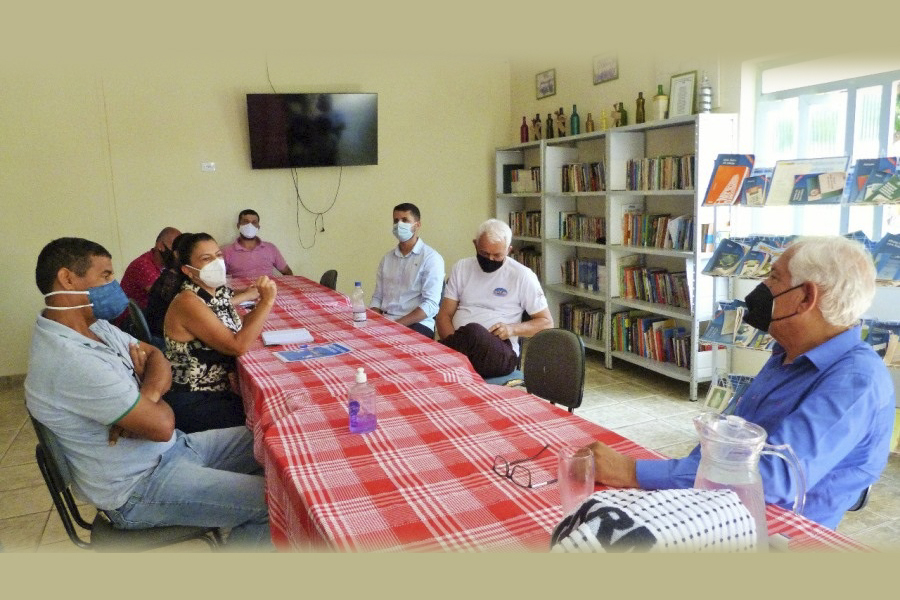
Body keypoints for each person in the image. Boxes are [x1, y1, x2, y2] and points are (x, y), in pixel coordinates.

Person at [584, 236, 895, 530]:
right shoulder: (788, 352)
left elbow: (772, 478)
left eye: (774, 277)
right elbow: (736, 445)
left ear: (805, 297)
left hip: (782, 531)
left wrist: (631, 471)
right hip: (723, 502)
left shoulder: (856, 381)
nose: (761, 286)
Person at [24, 237, 272, 549]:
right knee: (273, 502)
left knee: (274, 439)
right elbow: (160, 425)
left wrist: (148, 394)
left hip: (174, 448)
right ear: (67, 278)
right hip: (139, 487)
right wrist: (151, 403)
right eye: (105, 276)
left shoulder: (95, 327)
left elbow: (158, 356)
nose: (114, 285)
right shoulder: (68, 359)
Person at [163, 233, 277, 434]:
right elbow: (237, 346)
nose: (217, 263)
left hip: (220, 390)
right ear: (188, 271)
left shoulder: (216, 292)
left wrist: (259, 306)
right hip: (195, 398)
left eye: (218, 255)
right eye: (206, 259)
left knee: (271, 408)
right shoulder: (188, 302)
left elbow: (238, 325)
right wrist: (267, 302)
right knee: (268, 423)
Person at [436, 218, 553, 379]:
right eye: (484, 253)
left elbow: (546, 323)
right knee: (470, 334)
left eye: (497, 255)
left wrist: (512, 329)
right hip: (461, 344)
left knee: (474, 331)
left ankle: (439, 358)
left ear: (509, 250)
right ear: (475, 244)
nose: (490, 259)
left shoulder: (522, 276)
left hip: (501, 353)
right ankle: (451, 359)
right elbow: (444, 315)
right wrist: (454, 345)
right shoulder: (461, 268)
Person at [370, 203, 445, 338]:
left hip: (418, 324)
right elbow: (377, 298)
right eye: (396, 221)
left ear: (417, 225)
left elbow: (431, 305)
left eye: (405, 220)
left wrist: (395, 325)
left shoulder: (431, 258)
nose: (399, 225)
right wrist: (373, 320)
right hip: (386, 322)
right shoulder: (387, 259)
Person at [120, 227, 181, 310]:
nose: (176, 254)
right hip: (130, 320)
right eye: (174, 248)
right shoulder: (143, 265)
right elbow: (162, 296)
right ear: (160, 245)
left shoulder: (164, 265)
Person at [222, 209, 293, 278]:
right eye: (246, 222)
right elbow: (218, 277)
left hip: (267, 288)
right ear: (238, 226)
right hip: (242, 290)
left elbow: (287, 272)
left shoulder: (271, 248)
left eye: (254, 222)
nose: (250, 225)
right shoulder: (226, 251)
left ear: (258, 227)